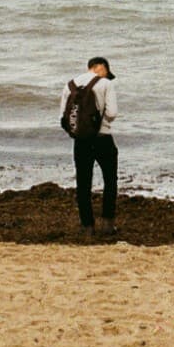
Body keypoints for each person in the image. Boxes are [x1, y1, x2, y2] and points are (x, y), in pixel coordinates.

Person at [61, 56, 120, 238]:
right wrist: (101, 123)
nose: (106, 76)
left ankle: (87, 226)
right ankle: (108, 225)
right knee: (110, 180)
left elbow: (63, 117)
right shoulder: (104, 84)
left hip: (81, 141)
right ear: (99, 67)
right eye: (106, 72)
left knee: (83, 183)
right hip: (102, 139)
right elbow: (112, 113)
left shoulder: (70, 85)